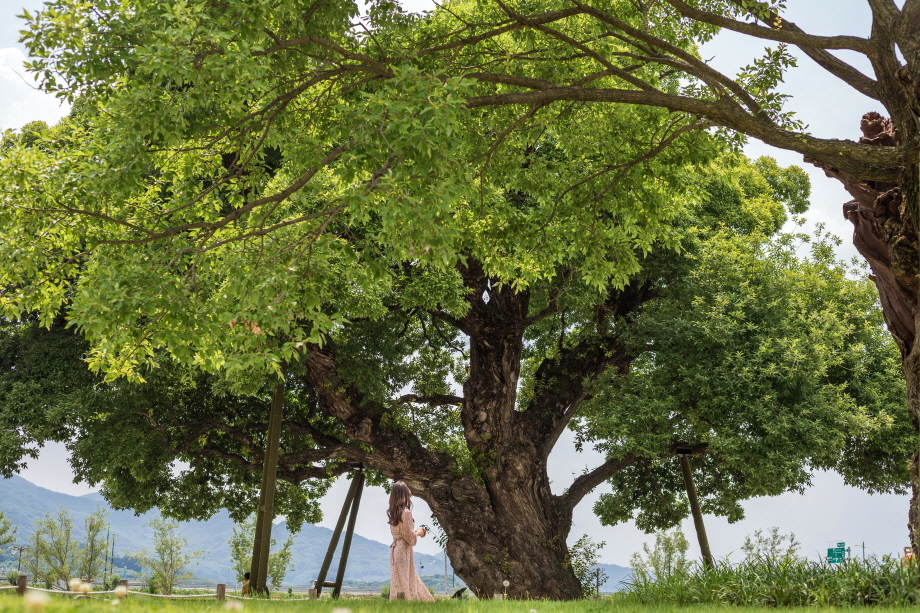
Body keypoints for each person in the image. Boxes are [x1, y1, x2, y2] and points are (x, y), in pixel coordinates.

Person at [388, 481, 434, 601]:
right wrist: (419, 532)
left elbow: (402, 533)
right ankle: (419, 602)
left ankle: (400, 604)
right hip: (404, 550)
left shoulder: (393, 513)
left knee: (400, 581)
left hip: (395, 550)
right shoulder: (406, 513)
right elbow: (410, 538)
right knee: (407, 579)